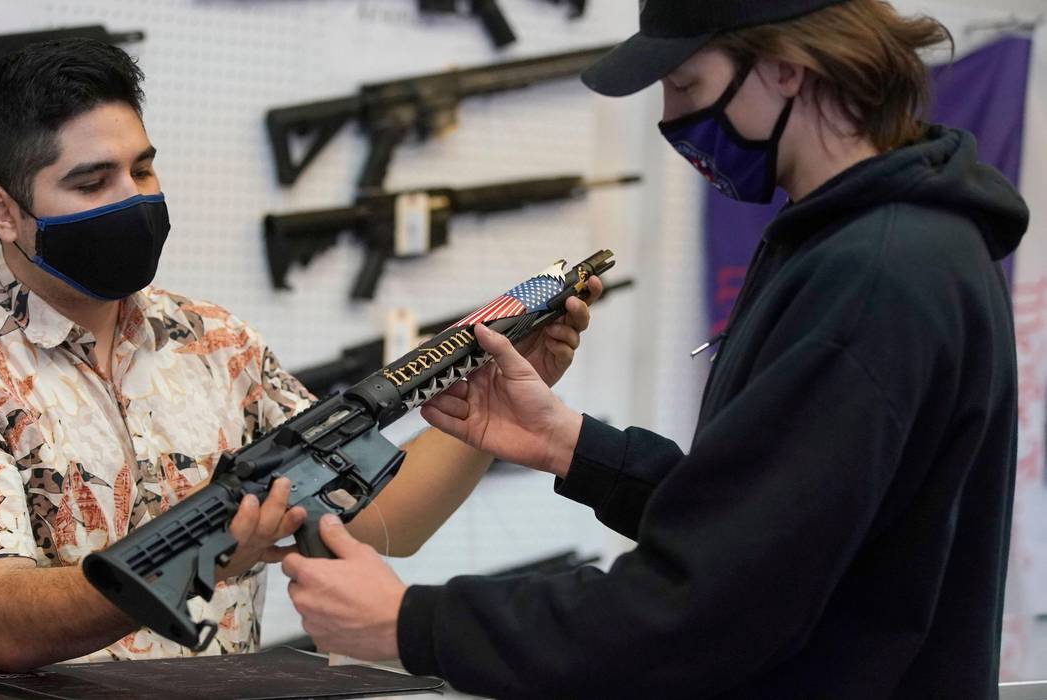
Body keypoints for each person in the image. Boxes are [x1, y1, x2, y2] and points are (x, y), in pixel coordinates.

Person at [282, 1, 1031, 697]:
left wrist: (411, 624)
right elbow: (771, 527)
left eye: (684, 83)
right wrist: (573, 446)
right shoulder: (868, 244)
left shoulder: (873, 275)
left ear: (786, 68)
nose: (671, 117)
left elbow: (714, 603)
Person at [0, 38, 596, 675]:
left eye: (141, 169)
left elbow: (373, 524)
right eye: (90, 181)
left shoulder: (216, 343)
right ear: (2, 211)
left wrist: (481, 405)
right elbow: (3, 623)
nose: (132, 198)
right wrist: (207, 547)